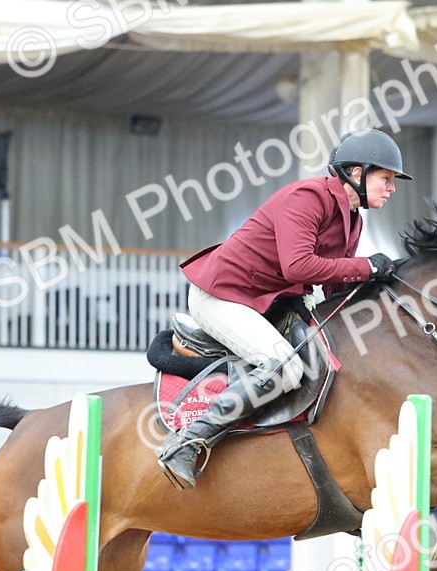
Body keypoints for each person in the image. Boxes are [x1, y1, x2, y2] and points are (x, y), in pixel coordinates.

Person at [155, 129, 413, 488]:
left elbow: (334, 286)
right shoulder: (308, 198)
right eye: (386, 178)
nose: (392, 187)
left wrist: (384, 282)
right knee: (286, 369)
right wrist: (367, 267)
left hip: (269, 301)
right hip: (222, 296)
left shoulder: (352, 219)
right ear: (357, 173)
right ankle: (186, 443)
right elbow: (298, 267)